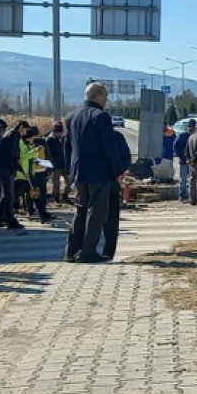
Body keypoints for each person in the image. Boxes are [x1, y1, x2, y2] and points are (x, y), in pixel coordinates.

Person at [64, 82, 126, 264]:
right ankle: (88, 251)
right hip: (99, 172)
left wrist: (69, 171)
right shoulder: (101, 117)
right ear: (98, 95)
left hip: (79, 172)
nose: (107, 100)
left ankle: (71, 250)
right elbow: (109, 147)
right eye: (106, 96)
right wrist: (118, 170)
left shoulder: (71, 116)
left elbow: (67, 147)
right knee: (97, 212)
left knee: (81, 209)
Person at [101, 130, 132, 260]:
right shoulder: (116, 136)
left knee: (107, 218)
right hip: (110, 180)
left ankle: (102, 250)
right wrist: (119, 171)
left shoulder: (113, 137)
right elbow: (126, 158)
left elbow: (126, 157)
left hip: (99, 181)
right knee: (110, 219)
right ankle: (107, 252)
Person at [0, 120, 27, 231]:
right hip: (6, 168)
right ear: (20, 127)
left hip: (2, 167)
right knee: (9, 195)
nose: (25, 133)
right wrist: (19, 167)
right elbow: (13, 153)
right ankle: (10, 220)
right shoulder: (14, 135)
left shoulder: (8, 133)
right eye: (25, 130)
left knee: (5, 195)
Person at [19, 126, 52, 223]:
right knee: (38, 193)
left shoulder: (27, 143)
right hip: (37, 171)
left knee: (32, 193)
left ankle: (33, 211)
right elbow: (47, 155)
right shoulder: (39, 143)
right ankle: (41, 213)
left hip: (31, 172)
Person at [45, 123, 71, 204]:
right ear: (54, 132)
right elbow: (48, 153)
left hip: (65, 164)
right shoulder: (50, 140)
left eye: (61, 132)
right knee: (55, 184)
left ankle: (65, 196)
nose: (60, 134)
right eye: (58, 133)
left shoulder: (64, 139)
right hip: (55, 165)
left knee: (69, 182)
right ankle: (56, 198)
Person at [174, 120, 194, 201]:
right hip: (189, 161)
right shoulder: (192, 137)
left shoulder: (182, 136)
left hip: (186, 161)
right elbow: (175, 147)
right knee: (187, 179)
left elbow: (175, 146)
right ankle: (185, 195)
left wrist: (181, 156)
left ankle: (184, 195)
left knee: (185, 179)